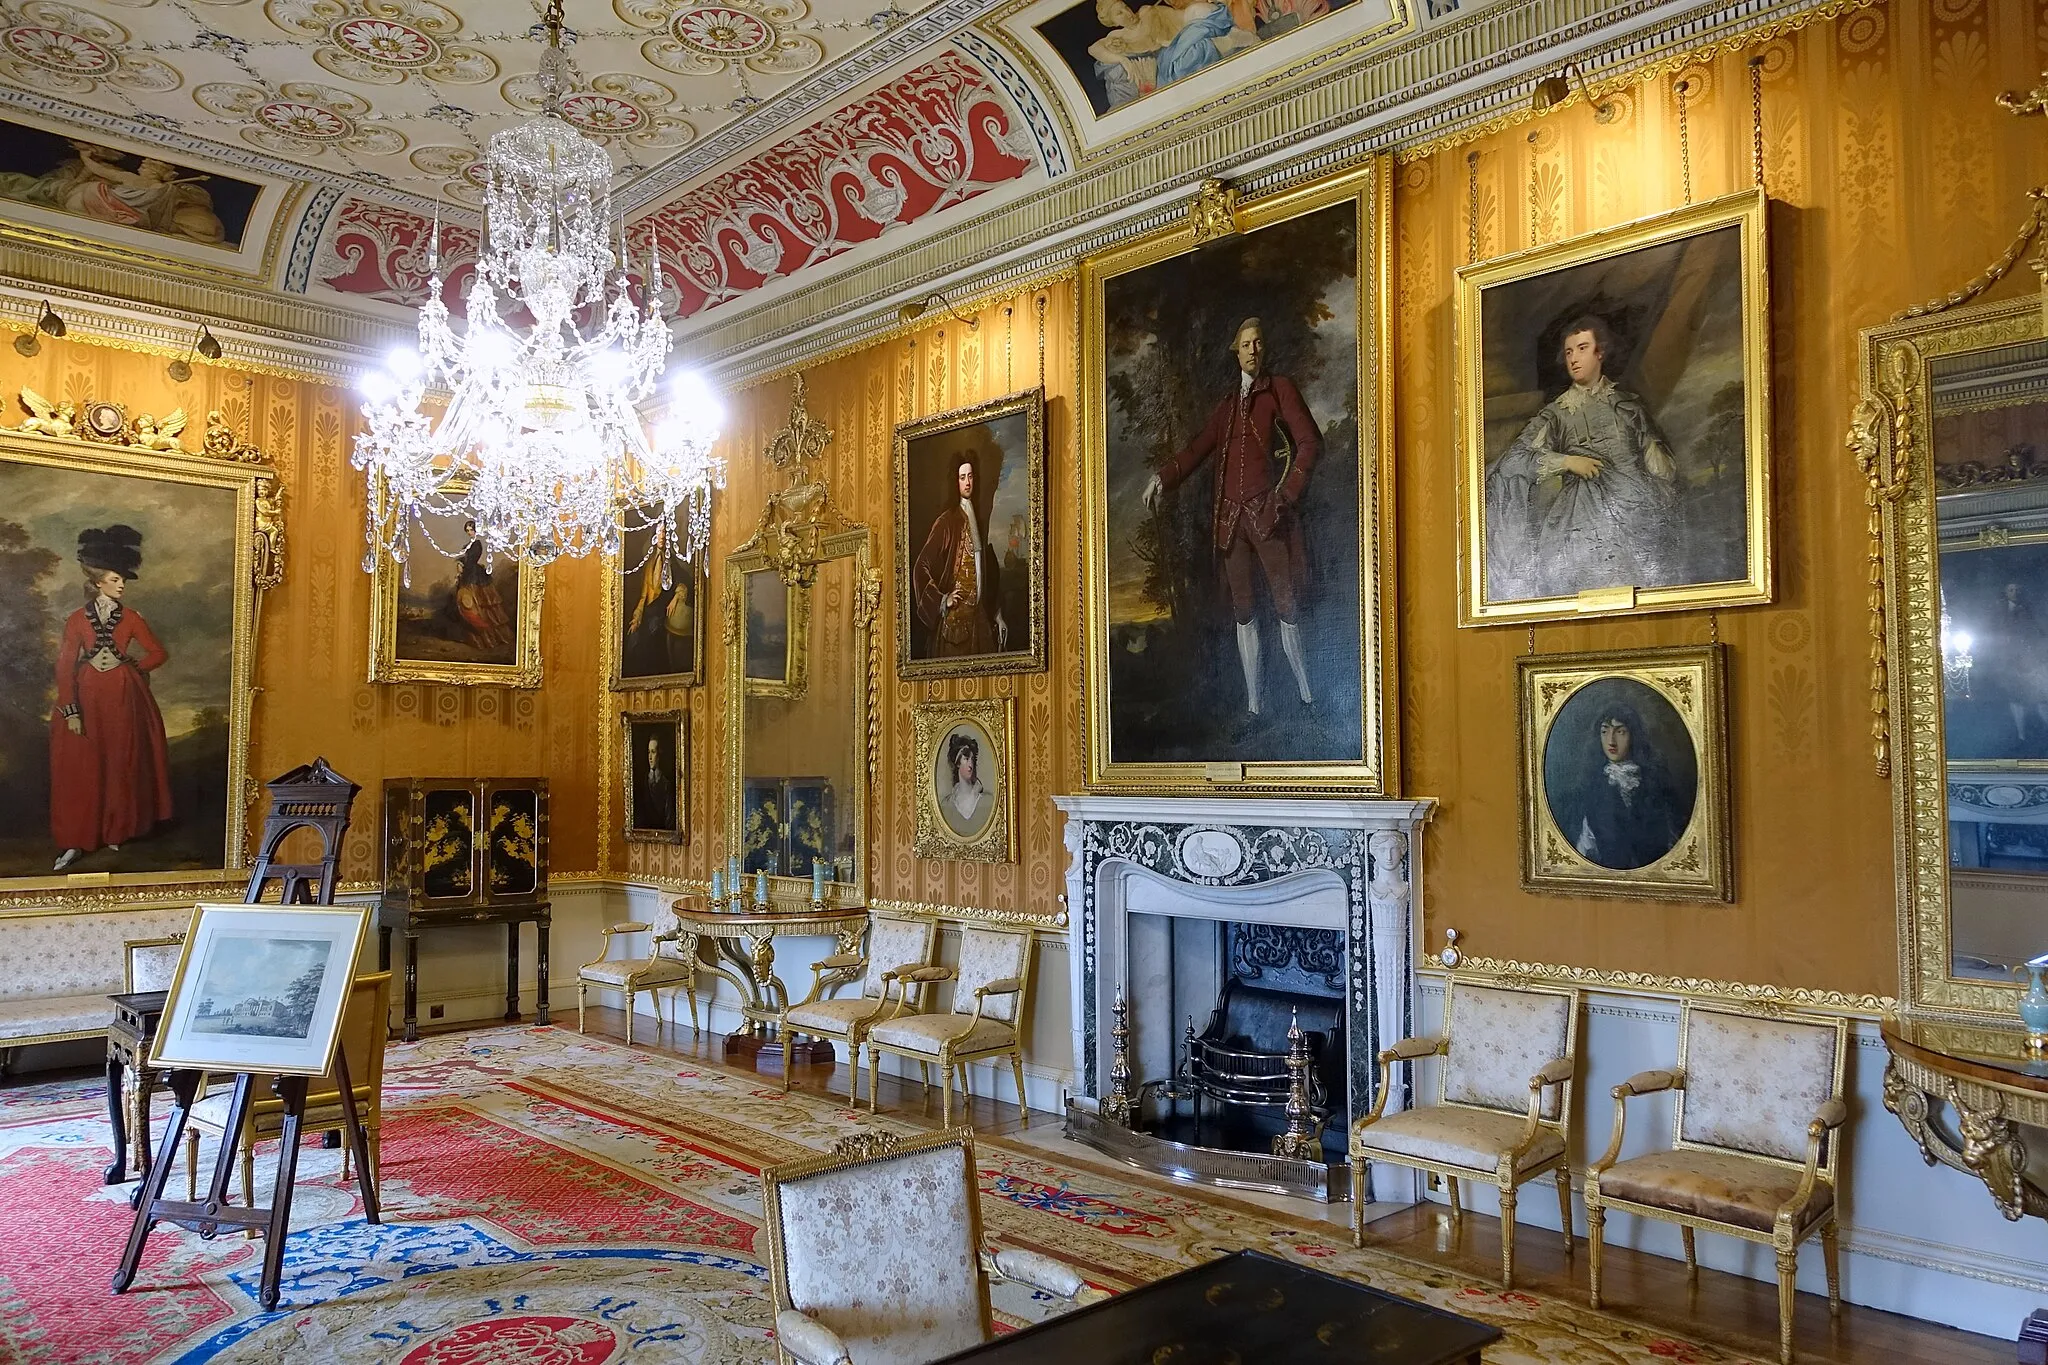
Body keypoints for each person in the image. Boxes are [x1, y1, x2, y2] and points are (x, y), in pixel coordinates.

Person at [1143, 316, 1322, 721]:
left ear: (1265, 348)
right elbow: (1195, 451)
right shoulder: (1225, 407)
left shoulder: (1280, 390)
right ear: (1235, 352)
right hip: (1231, 523)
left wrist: (1285, 496)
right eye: (1246, 345)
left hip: (1268, 515)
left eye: (1258, 343)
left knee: (1286, 604)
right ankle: (1254, 706)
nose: (1253, 350)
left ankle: (1309, 697)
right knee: (1244, 612)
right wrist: (1161, 477)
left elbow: (1310, 443)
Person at [1484, 315, 1681, 602]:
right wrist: (1567, 462)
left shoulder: (1628, 405)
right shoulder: (1558, 412)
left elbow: (1661, 468)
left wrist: (1653, 456)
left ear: (1600, 352)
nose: (1574, 359)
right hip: (1580, 517)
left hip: (1637, 511)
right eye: (1569, 351)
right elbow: (1515, 459)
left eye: (1582, 348)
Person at [48, 525, 174, 871]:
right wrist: (70, 710)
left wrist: (132, 665)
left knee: (121, 761)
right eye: (116, 579)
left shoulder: (132, 618)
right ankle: (78, 839)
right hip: (86, 697)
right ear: (100, 582)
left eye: (123, 581)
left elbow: (158, 653)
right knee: (82, 767)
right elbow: (64, 666)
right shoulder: (76, 620)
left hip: (123, 698)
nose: (122, 585)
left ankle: (117, 830)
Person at [1556, 698, 1688, 870]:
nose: (1611, 741)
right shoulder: (1592, 789)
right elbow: (1586, 847)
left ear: (1634, 735)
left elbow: (1677, 840)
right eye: (1605, 731)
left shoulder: (1656, 781)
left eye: (1620, 732)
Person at [911, 452, 1009, 658]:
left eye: (970, 476)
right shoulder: (946, 522)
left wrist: (997, 614)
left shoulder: (978, 519)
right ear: (955, 481)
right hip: (954, 629)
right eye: (962, 477)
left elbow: (985, 571)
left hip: (979, 621)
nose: (967, 483)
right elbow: (920, 567)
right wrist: (941, 600)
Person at [448, 520, 514, 653]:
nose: (469, 533)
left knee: (479, 604)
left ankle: (490, 636)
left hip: (473, 574)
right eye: (467, 531)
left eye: (471, 530)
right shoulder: (469, 544)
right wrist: (461, 564)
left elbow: (472, 560)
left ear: (475, 530)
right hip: (468, 573)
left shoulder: (476, 544)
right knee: (468, 603)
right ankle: (477, 635)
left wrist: (462, 563)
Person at [941, 732, 991, 834]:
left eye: (972, 759)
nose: (970, 765)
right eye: (966, 759)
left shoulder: (987, 800)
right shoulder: (947, 804)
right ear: (958, 763)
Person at [637, 735, 676, 832]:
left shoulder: (666, 784)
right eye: (648, 752)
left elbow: (669, 817)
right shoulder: (643, 782)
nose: (650, 757)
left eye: (653, 752)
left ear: (659, 754)